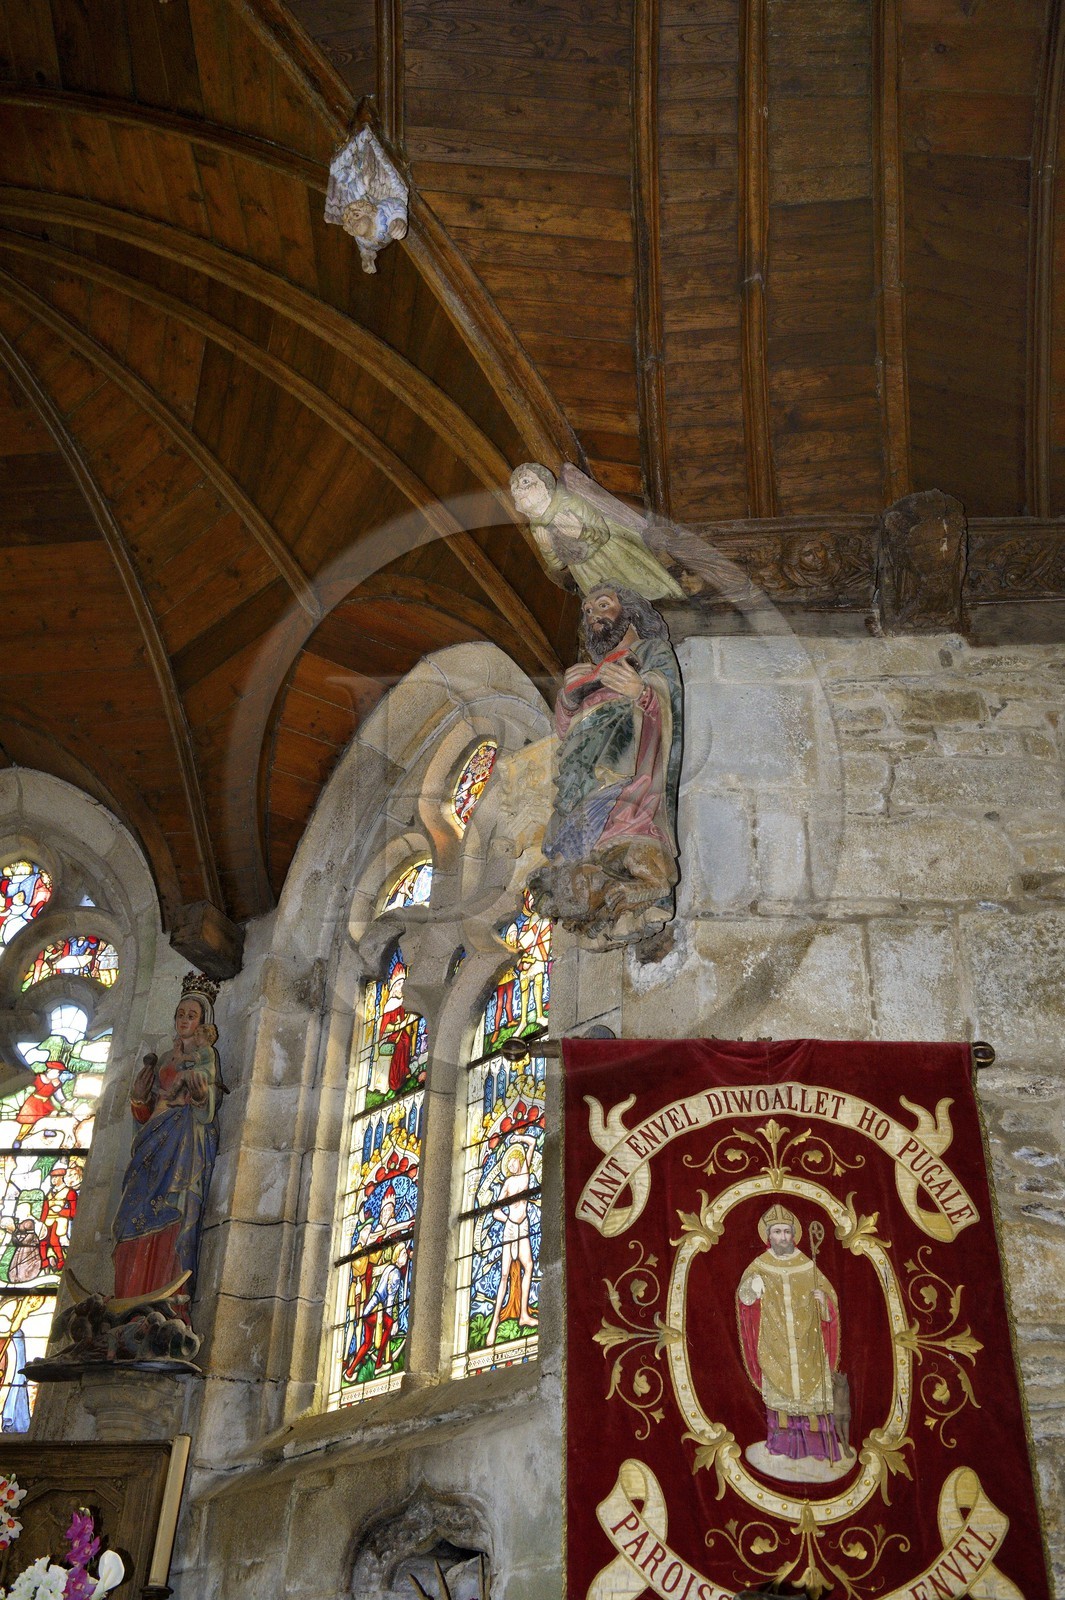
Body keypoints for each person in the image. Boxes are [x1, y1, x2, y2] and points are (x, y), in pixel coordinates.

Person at [530, 584, 683, 947]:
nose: (593, 615)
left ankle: (642, 895)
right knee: (581, 836)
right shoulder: (588, 669)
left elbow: (669, 699)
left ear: (628, 611)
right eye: (586, 611)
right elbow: (567, 732)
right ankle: (600, 900)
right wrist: (567, 701)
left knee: (624, 822)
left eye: (603, 605)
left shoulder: (650, 650)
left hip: (627, 760)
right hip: (582, 770)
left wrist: (641, 691)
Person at [111, 977, 220, 1315]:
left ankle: (169, 1301)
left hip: (182, 1146)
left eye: (192, 1016)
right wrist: (139, 1097)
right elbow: (143, 1115)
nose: (185, 1020)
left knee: (175, 1213)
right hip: (150, 1149)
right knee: (133, 1215)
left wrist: (201, 1094)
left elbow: (207, 1105)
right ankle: (126, 1298)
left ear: (203, 1024)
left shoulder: (206, 1057)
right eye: (181, 1014)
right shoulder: (162, 1062)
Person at [736, 1205, 848, 1480]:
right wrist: (753, 1288)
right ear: (768, 1236)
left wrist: (824, 1302)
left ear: (794, 1235)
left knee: (814, 1399)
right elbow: (745, 1299)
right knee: (781, 1398)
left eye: (787, 1231)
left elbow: (829, 1302)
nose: (783, 1237)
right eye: (777, 1232)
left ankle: (820, 1450)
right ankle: (783, 1447)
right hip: (775, 1345)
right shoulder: (760, 1265)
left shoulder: (807, 1265)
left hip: (808, 1346)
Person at [510, 462, 684, 601]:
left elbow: (603, 534)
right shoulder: (537, 527)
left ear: (544, 483)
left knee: (645, 585)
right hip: (585, 571)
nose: (519, 489)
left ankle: (671, 597)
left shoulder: (570, 503)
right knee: (613, 605)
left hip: (610, 552)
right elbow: (558, 565)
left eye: (525, 482)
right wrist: (546, 548)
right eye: (515, 487)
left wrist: (582, 532)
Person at [485, 1135, 539, 1346]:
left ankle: (524, 1313)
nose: (512, 1163)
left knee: (529, 1265)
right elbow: (495, 1210)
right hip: (510, 1229)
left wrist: (518, 1137)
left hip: (523, 1225)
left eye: (514, 1160)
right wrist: (506, 1218)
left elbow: (533, 1143)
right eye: (509, 1162)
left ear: (519, 1159)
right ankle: (494, 1324)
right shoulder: (507, 1183)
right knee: (505, 1275)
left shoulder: (525, 1177)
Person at [344, 1241, 410, 1378]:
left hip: (369, 1312)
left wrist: (365, 1312)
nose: (406, 1256)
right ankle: (379, 1365)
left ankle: (350, 1372)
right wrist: (393, 1319)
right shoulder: (396, 1273)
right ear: (397, 1257)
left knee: (367, 1343)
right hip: (377, 1312)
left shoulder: (388, 1269)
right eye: (403, 1253)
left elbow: (377, 1294)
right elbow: (390, 1298)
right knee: (389, 1324)